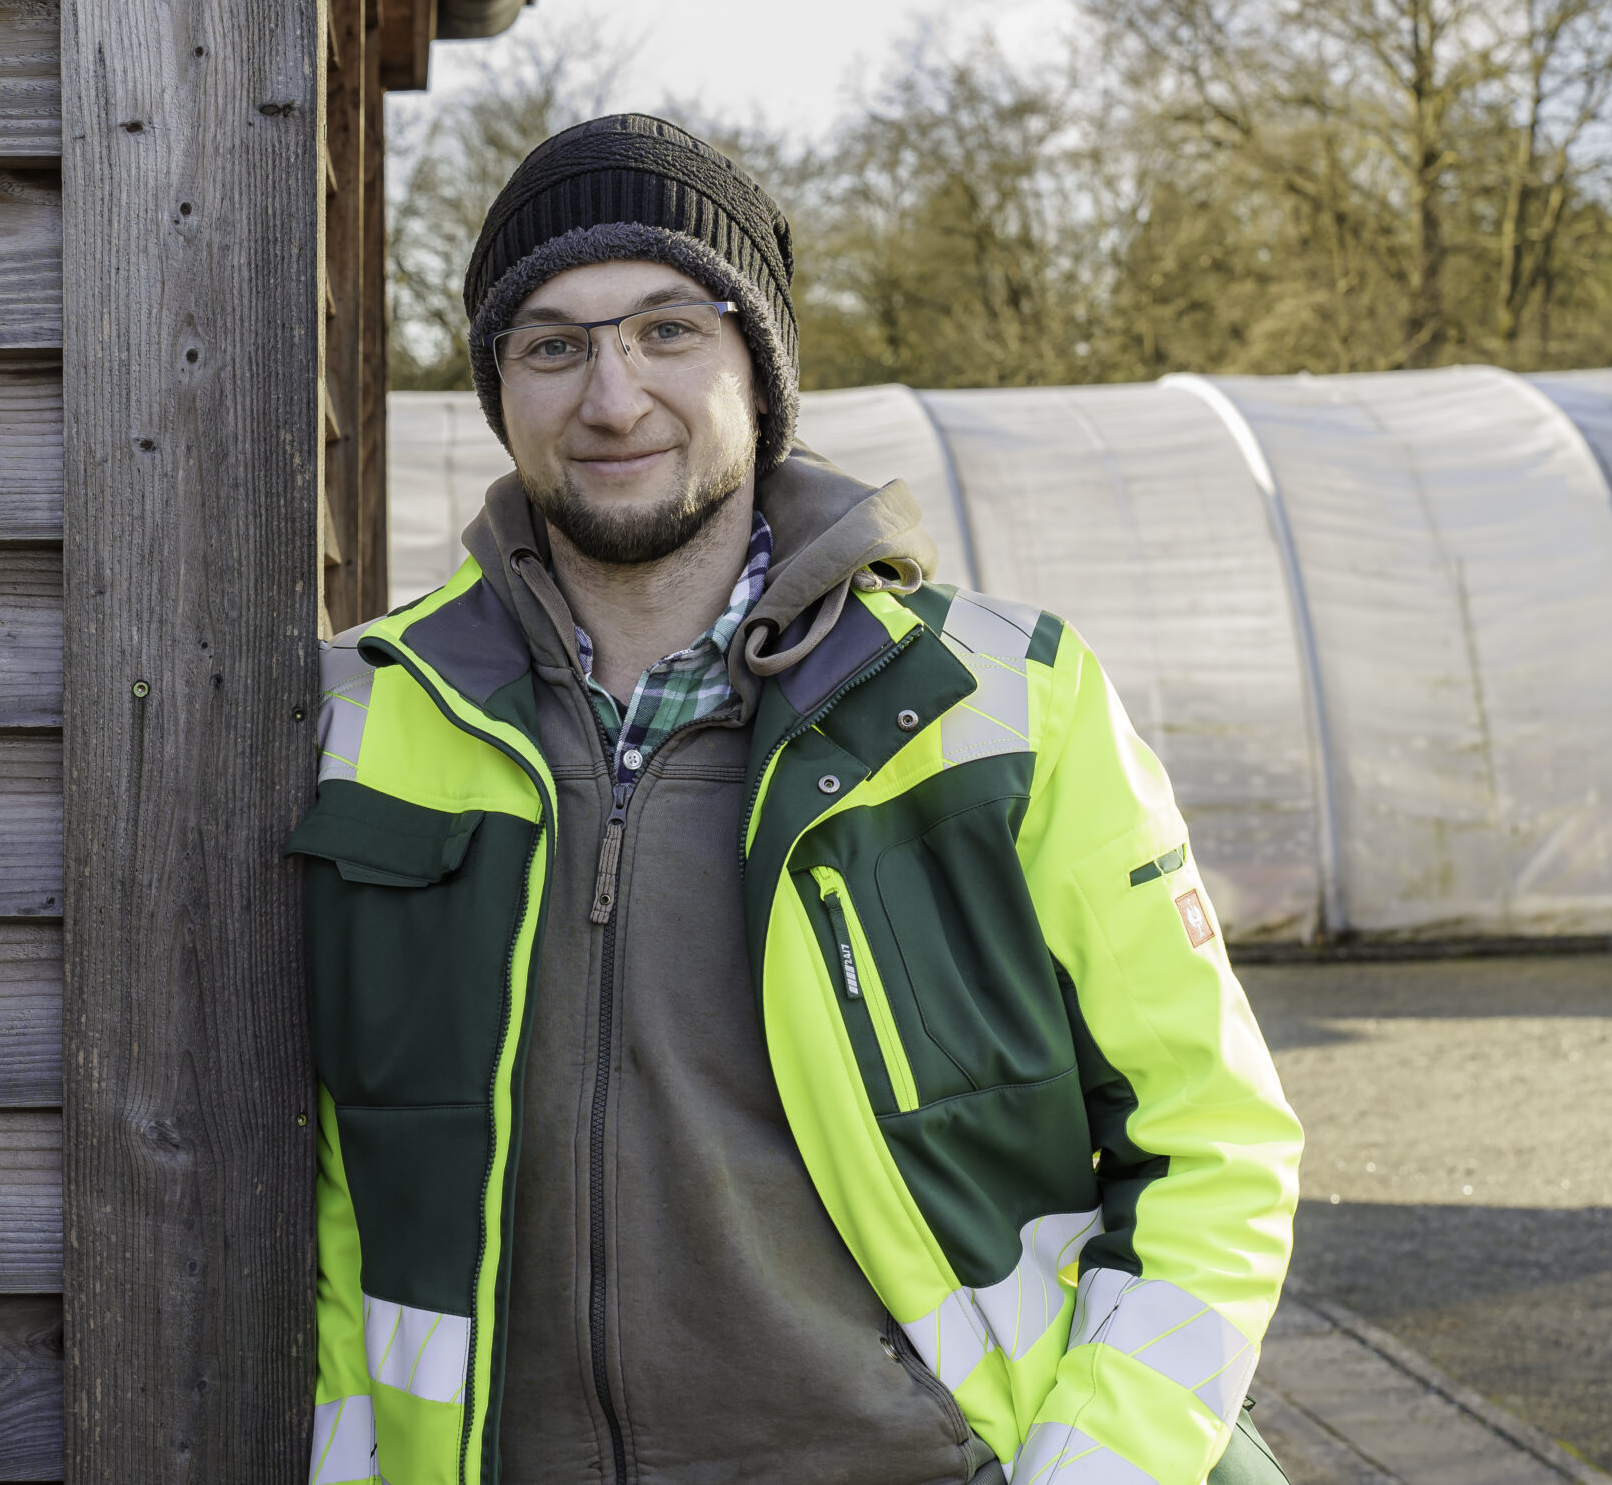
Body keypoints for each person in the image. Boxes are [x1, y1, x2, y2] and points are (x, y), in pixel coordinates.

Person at [290, 114, 1303, 1485]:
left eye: (667, 329)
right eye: (552, 343)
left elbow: (1213, 1148)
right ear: (500, 388)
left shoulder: (1006, 705)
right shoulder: (360, 720)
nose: (611, 396)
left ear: (759, 373)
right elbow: (315, 1203)